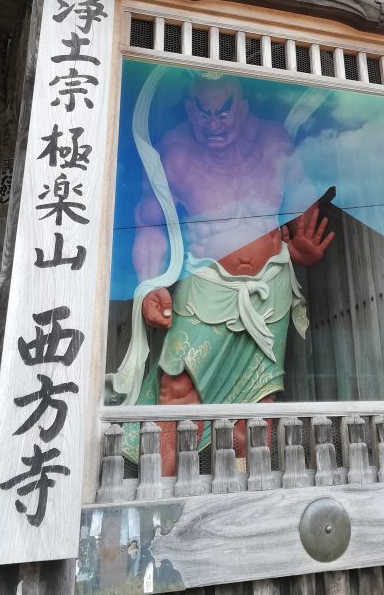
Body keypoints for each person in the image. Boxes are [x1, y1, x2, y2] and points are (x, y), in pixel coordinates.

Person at [128, 74, 335, 473]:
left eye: (223, 111)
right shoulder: (174, 152)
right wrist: (150, 285)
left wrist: (301, 250)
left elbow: (301, 208)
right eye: (203, 112)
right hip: (203, 286)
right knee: (177, 390)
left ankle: (247, 493)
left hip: (268, 290)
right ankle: (163, 493)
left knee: (257, 403)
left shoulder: (275, 142)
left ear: (242, 109)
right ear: (190, 111)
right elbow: (148, 222)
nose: (213, 122)